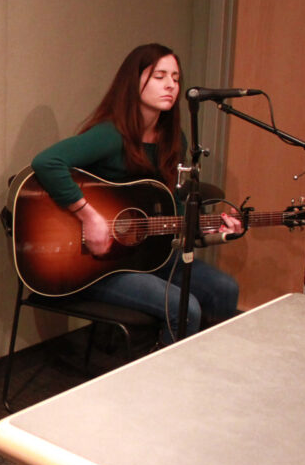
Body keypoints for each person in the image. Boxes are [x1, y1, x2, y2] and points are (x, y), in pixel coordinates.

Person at [29, 42, 241, 343]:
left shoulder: (173, 140)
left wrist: (215, 230)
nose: (171, 85)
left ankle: (206, 372)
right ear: (134, 81)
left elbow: (176, 213)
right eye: (159, 76)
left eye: (176, 78)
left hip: (151, 256)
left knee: (225, 289)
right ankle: (162, 386)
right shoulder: (111, 134)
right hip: (98, 265)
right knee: (186, 309)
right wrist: (88, 216)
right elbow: (47, 162)